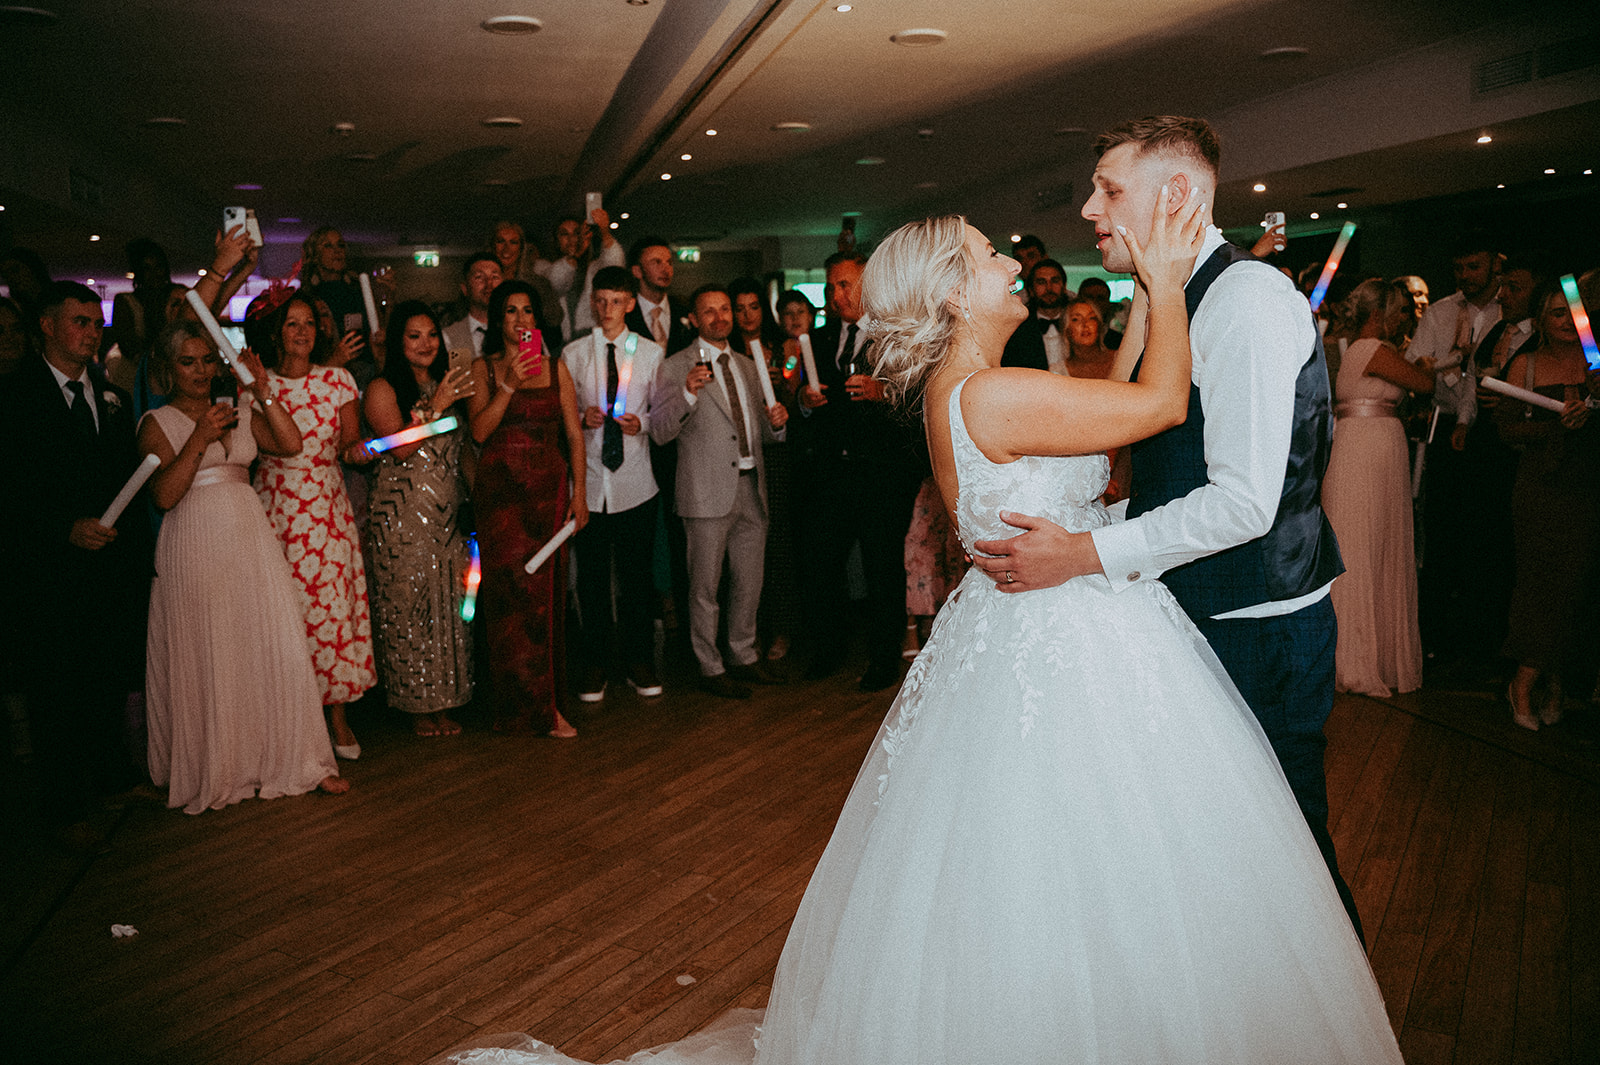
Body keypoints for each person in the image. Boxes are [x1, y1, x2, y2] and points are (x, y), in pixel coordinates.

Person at [434, 203, 1402, 1065]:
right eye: (988, 256)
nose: (1010, 264)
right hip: (1061, 640)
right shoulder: (989, 394)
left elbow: (1110, 407)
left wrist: (1146, 308)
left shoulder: (966, 386)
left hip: (1028, 629)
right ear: (951, 293)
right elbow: (1157, 406)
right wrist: (1163, 280)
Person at [971, 115, 1362, 939]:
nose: (1089, 209)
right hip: (1197, 616)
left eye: (1109, 190)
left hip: (1257, 628)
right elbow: (1176, 469)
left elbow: (1244, 503)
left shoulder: (1247, 300)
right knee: (1210, 868)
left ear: (1178, 194)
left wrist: (1083, 551)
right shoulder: (1171, 300)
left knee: (1288, 870)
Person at [139, 321, 349, 811]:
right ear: (169, 369)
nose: (200, 371)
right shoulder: (156, 422)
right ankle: (221, 765)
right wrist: (199, 436)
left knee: (271, 639)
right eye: (187, 362)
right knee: (212, 645)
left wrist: (261, 389)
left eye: (207, 360)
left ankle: (296, 759)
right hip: (194, 535)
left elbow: (290, 443)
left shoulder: (236, 408)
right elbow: (164, 496)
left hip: (249, 531)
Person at [1, 281, 153, 852]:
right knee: (56, 690)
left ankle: (113, 778)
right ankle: (63, 808)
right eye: (79, 322)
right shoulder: (14, 395)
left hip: (107, 566)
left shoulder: (109, 393)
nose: (92, 333)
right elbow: (10, 490)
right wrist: (62, 527)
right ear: (46, 325)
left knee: (104, 678)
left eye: (96, 323)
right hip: (47, 570)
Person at [794, 251, 928, 692]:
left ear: (868, 285)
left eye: (845, 285)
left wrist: (881, 392)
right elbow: (800, 401)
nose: (837, 295)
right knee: (823, 565)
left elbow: (918, 400)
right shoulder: (816, 339)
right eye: (831, 287)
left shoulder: (896, 336)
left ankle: (883, 658)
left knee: (882, 568)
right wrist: (804, 402)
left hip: (882, 475)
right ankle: (828, 650)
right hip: (830, 474)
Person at [254, 294, 378, 760]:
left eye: (309, 323)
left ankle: (338, 718)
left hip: (326, 508)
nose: (302, 331)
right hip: (276, 509)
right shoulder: (257, 385)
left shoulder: (338, 380)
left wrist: (356, 451)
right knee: (284, 611)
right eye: (292, 323)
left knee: (329, 610)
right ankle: (288, 719)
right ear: (277, 333)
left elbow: (349, 442)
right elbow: (265, 447)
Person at [650, 285, 789, 699]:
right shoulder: (675, 366)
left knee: (749, 582)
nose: (719, 317)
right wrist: (688, 393)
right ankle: (709, 666)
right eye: (708, 311)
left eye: (724, 309)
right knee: (704, 589)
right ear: (694, 319)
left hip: (751, 487)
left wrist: (777, 424)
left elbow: (761, 430)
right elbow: (659, 432)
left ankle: (744, 655)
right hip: (704, 494)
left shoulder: (747, 365)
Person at [468, 280, 587, 737]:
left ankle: (548, 707)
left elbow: (574, 434)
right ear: (499, 320)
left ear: (537, 319)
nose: (521, 319)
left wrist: (579, 494)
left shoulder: (557, 369)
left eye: (528, 311)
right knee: (506, 602)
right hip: (501, 498)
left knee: (545, 599)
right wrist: (510, 384)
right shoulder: (483, 368)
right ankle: (511, 707)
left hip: (547, 493)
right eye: (511, 311)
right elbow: (479, 432)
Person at [363, 302, 476, 737]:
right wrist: (437, 404)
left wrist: (474, 498)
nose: (426, 343)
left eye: (432, 335)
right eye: (414, 336)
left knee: (449, 608)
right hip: (402, 512)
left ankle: (446, 702)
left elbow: (463, 447)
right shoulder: (382, 387)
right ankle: (415, 705)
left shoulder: (447, 382)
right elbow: (400, 448)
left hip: (447, 510)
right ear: (398, 341)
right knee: (409, 608)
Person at [1321, 279, 1435, 697]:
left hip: (1372, 448)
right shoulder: (1372, 349)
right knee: (1362, 547)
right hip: (1365, 451)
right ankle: (1355, 659)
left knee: (1373, 545)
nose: (1404, 318)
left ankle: (1369, 656)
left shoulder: (1362, 349)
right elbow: (1424, 385)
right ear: (1379, 313)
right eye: (1399, 310)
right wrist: (1426, 366)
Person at [1494, 287, 1599, 730]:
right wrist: (1558, 425)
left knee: (1578, 586)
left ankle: (1555, 683)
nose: (1566, 320)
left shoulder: (1596, 365)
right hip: (1541, 490)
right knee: (1542, 585)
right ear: (1540, 320)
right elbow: (1505, 430)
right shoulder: (1526, 365)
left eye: (1573, 312)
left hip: (1589, 488)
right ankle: (1523, 684)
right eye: (1556, 313)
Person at [563, 267, 665, 702]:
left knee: (636, 578)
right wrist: (581, 418)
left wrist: (642, 423)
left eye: (616, 301)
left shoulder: (650, 353)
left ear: (629, 303)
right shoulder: (574, 353)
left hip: (635, 480)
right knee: (591, 580)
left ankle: (639, 660)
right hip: (589, 482)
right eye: (601, 300)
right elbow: (561, 414)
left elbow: (663, 412)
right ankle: (596, 663)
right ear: (592, 302)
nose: (607, 309)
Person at [729, 276, 801, 662]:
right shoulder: (726, 351)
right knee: (742, 549)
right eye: (739, 308)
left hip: (776, 453)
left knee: (778, 542)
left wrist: (784, 379)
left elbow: (795, 391)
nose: (746, 316)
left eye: (753, 307)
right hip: (739, 454)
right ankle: (746, 632)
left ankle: (783, 629)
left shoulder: (782, 347)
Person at [442, 254, 502, 360]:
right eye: (479, 277)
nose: (489, 283)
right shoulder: (448, 336)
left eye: (495, 277)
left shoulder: (516, 331)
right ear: (465, 288)